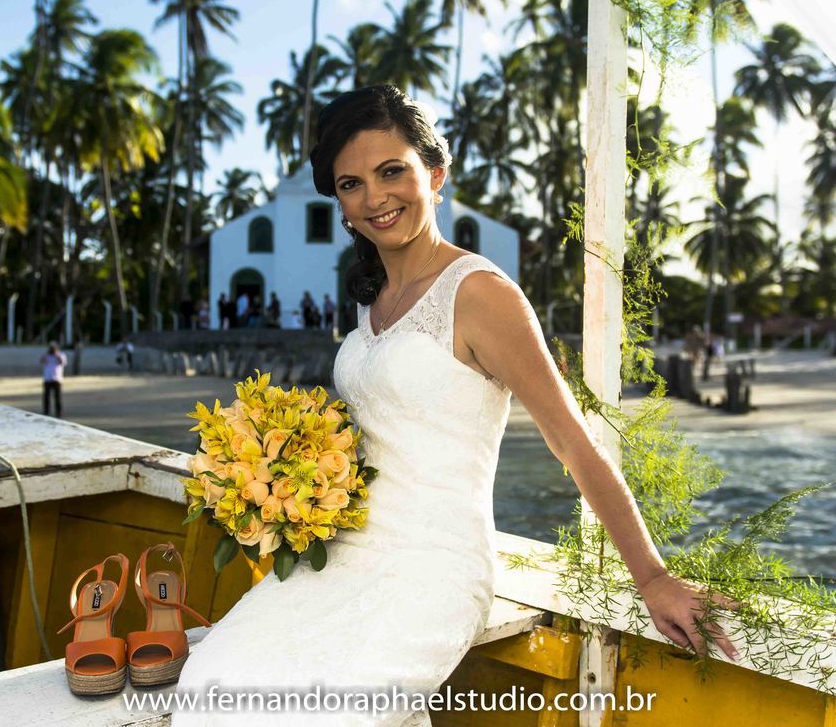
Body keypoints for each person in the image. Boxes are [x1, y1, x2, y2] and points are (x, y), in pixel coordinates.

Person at [171, 85, 741, 725]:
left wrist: (653, 578)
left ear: (435, 174)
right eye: (352, 184)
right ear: (340, 202)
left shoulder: (482, 295)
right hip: (338, 555)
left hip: (431, 570)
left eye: (392, 172)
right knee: (211, 685)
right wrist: (281, 477)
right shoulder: (371, 301)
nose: (375, 197)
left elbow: (570, 439)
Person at [40, 341, 66, 419]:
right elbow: (42, 361)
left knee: (57, 397)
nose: (52, 349)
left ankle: (58, 413)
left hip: (57, 379)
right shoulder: (47, 355)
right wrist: (47, 354)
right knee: (46, 397)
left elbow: (62, 362)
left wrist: (56, 355)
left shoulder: (61, 354)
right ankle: (46, 412)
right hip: (47, 378)